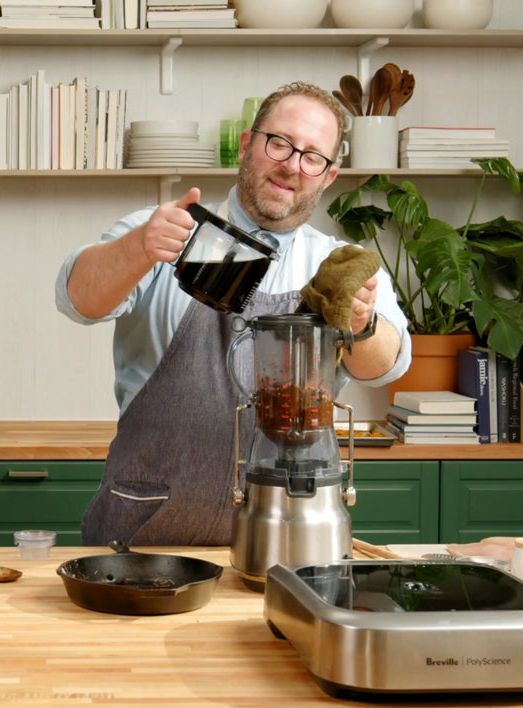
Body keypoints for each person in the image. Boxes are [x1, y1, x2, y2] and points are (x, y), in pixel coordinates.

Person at [55, 81, 411, 546]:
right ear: (248, 144)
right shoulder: (167, 230)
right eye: (279, 143)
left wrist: (362, 323)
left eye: (312, 156)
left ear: (327, 176)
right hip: (146, 531)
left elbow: (388, 366)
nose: (292, 165)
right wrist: (138, 249)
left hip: (288, 534)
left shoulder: (338, 266)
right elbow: (76, 299)